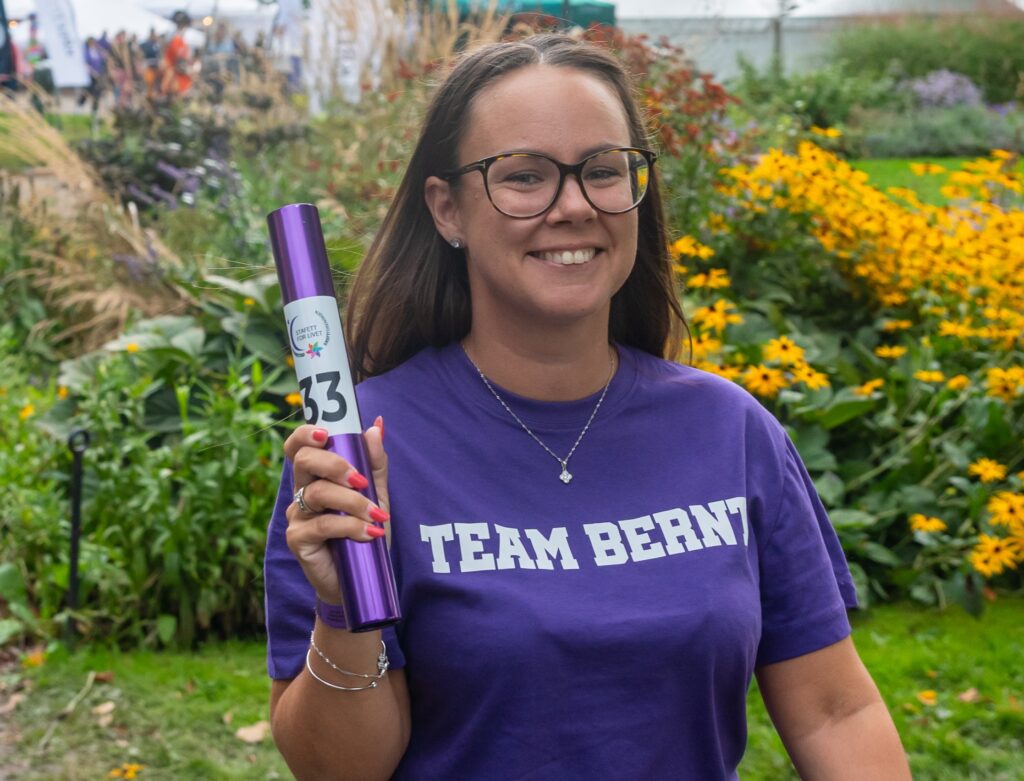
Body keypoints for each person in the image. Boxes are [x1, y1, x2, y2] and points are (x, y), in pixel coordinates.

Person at [264, 33, 912, 781]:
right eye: (524, 176)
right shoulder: (359, 452)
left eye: (603, 170)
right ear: (447, 210)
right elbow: (341, 770)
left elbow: (835, 711)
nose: (573, 206)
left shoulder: (729, 430)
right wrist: (346, 612)